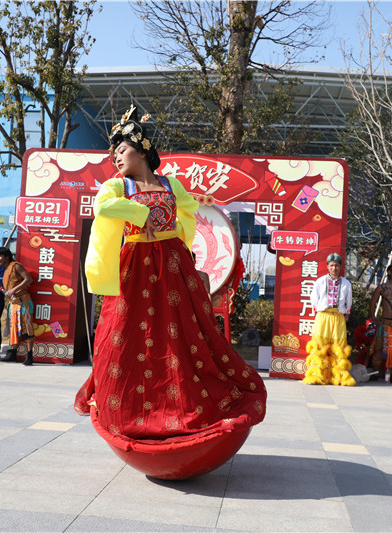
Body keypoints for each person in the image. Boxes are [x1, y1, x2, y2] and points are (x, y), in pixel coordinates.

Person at [75, 105, 266, 450]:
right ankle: (127, 411)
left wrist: (178, 235)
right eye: (113, 152)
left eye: (122, 149)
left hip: (173, 262)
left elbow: (190, 209)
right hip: (135, 264)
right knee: (125, 334)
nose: (116, 157)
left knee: (181, 334)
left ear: (143, 149)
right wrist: (140, 212)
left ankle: (181, 405)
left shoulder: (170, 184)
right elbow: (102, 207)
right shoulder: (118, 186)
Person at [303, 253, 355, 386]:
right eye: (331, 265)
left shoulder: (346, 283)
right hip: (323, 315)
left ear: (340, 267)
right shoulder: (320, 281)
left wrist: (345, 314)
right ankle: (316, 375)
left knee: (338, 345)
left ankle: (337, 376)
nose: (334, 268)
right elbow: (314, 300)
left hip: (338, 316)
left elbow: (348, 303)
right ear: (327, 266)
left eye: (336, 266)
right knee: (320, 344)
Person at [0, 247, 33, 364]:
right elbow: (10, 286)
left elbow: (28, 279)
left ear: (7, 257)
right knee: (14, 329)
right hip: (13, 303)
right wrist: (1, 289)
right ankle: (12, 353)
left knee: (27, 329)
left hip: (23, 302)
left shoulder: (16, 266)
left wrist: (14, 289)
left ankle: (30, 356)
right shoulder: (5, 270)